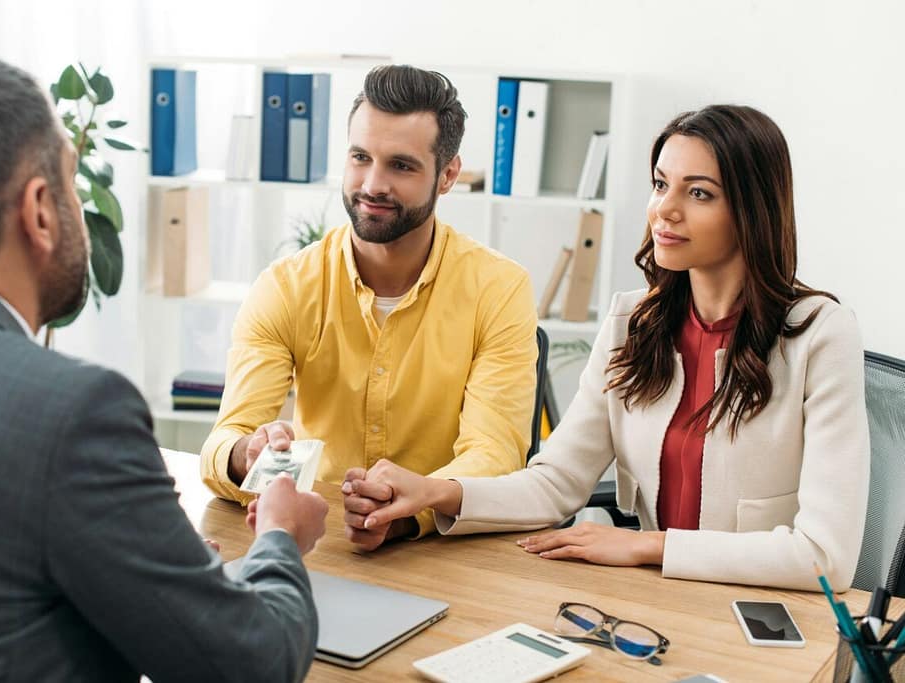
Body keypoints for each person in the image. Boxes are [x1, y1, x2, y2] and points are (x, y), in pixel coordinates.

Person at [0, 56, 327, 681]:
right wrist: (281, 538)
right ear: (40, 211)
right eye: (69, 181)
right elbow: (254, 665)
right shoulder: (70, 412)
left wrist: (150, 561)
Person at [347, 104, 869, 592]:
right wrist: (435, 492)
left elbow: (825, 555)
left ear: (752, 210)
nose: (664, 210)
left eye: (699, 193)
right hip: (653, 602)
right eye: (661, 184)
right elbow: (555, 484)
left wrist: (645, 546)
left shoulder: (821, 336)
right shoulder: (631, 322)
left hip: (763, 616)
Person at [200, 64, 537, 549]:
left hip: (446, 551)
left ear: (448, 176)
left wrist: (407, 512)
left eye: (401, 165)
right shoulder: (286, 286)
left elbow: (495, 453)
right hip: (319, 537)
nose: (372, 185)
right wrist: (242, 453)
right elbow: (224, 437)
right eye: (360, 157)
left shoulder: (498, 289)